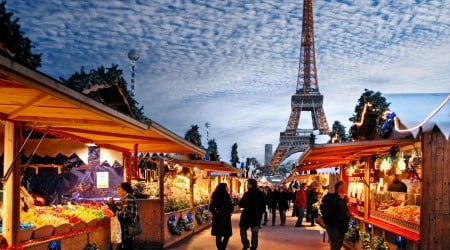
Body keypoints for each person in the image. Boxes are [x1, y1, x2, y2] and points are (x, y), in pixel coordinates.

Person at [107, 182, 139, 250]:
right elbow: (117, 207)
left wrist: (115, 211)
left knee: (127, 245)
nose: (117, 191)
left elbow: (127, 215)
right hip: (124, 227)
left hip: (128, 227)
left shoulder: (129, 198)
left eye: (119, 189)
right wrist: (111, 204)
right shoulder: (124, 198)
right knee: (124, 245)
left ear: (124, 190)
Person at [239, 179, 266, 250]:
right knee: (255, 232)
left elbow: (241, 204)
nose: (247, 185)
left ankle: (246, 244)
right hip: (257, 216)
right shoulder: (261, 194)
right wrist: (260, 212)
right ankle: (254, 246)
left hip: (247, 215)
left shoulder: (247, 194)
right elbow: (264, 206)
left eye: (247, 184)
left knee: (243, 230)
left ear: (251, 185)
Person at [322, 181, 350, 250]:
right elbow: (330, 212)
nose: (346, 187)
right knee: (336, 246)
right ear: (339, 188)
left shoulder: (342, 199)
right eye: (344, 186)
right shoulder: (334, 199)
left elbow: (341, 211)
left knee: (338, 245)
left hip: (340, 227)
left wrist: (347, 214)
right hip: (334, 227)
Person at [209, 183, 234, 250]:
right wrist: (230, 209)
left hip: (218, 217)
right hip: (225, 217)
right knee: (227, 234)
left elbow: (211, 208)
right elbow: (230, 207)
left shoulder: (215, 195)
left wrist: (216, 214)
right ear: (224, 188)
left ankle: (220, 248)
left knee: (218, 235)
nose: (227, 188)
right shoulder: (226, 195)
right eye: (227, 187)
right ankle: (222, 248)